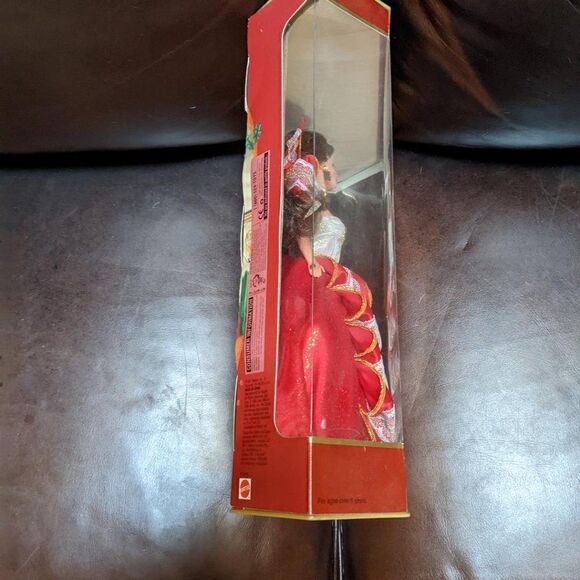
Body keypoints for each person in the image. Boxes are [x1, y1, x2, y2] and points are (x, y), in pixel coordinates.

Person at [276, 126, 396, 442]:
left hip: (326, 280)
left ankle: (329, 428)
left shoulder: (323, 203)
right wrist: (311, 259)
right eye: (330, 165)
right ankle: (311, 425)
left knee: (336, 351)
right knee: (320, 344)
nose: (334, 173)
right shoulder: (305, 186)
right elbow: (299, 221)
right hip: (314, 276)